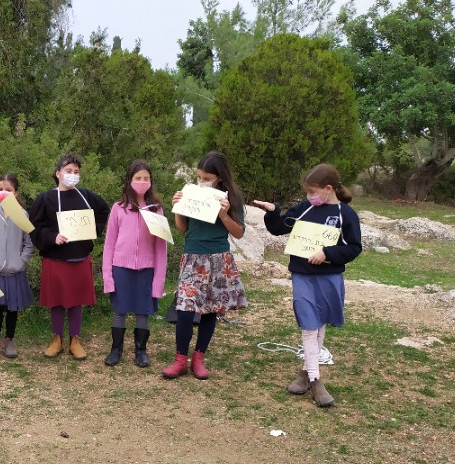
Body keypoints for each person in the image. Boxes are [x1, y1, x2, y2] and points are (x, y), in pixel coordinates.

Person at [252, 164, 363, 407]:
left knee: (319, 323)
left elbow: (354, 247)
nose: (309, 197)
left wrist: (327, 253)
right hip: (302, 275)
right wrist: (272, 212)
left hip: (329, 277)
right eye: (307, 193)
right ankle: (316, 380)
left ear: (329, 189)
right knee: (308, 324)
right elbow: (280, 227)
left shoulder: (346, 214)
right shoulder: (305, 208)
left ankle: (305, 372)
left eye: (313, 191)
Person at [163, 151, 247, 381]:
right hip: (193, 256)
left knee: (211, 308)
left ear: (219, 177)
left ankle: (198, 357)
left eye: (207, 177)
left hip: (218, 259)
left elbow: (238, 233)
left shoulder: (231, 200)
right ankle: (180, 359)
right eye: (199, 176)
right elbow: (183, 229)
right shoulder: (192, 193)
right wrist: (177, 209)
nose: (202, 181)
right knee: (184, 308)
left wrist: (224, 214)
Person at [28, 153, 110, 360]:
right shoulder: (45, 198)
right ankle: (57, 339)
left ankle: (75, 340)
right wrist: (51, 237)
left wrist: (92, 232)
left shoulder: (87, 196)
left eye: (76, 172)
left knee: (76, 301)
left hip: (79, 258)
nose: (73, 175)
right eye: (68, 171)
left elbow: (103, 211)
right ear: (58, 174)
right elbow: (34, 227)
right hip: (55, 259)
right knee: (56, 301)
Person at [102, 160, 168, 367]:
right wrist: (108, 277)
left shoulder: (157, 210)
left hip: (146, 270)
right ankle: (116, 349)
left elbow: (161, 248)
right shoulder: (119, 208)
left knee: (142, 310)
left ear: (151, 181)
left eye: (146, 178)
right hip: (120, 268)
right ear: (129, 181)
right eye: (138, 178)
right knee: (120, 310)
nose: (142, 182)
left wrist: (159, 282)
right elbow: (109, 244)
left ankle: (141, 350)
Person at [0, 174, 34, 359]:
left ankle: (10, 339)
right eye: (0, 189)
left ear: (16, 192)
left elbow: (29, 243)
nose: (4, 192)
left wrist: (21, 261)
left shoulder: (22, 214)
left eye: (8, 190)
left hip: (15, 271)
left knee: (13, 308)